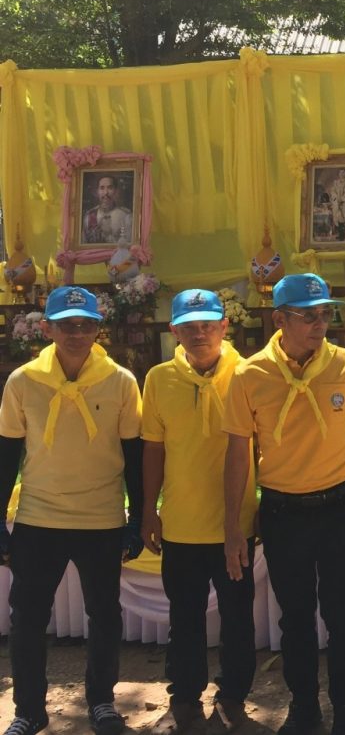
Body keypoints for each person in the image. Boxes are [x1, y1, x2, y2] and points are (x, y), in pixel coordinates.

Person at [222, 273, 345, 735]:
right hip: (283, 512)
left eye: (325, 314)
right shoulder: (251, 374)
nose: (319, 324)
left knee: (344, 616)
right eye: (307, 316)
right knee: (295, 618)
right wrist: (233, 525)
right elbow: (238, 454)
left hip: (338, 507)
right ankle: (304, 707)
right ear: (279, 320)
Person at [0, 285, 144, 735]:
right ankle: (28, 710)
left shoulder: (121, 381)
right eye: (67, 325)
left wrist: (138, 518)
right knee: (27, 618)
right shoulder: (23, 381)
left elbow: (134, 455)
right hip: (38, 517)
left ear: (98, 329)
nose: (76, 334)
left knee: (104, 614)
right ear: (47, 328)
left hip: (101, 517)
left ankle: (101, 701)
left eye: (85, 325)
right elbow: (6, 454)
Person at [141, 289, 259, 735]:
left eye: (208, 324)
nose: (200, 333)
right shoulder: (158, 378)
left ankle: (233, 695)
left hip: (236, 525)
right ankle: (186, 696)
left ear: (225, 326)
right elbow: (154, 450)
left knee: (238, 618)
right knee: (185, 618)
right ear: (173, 330)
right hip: (181, 524)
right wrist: (149, 510)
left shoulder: (249, 373)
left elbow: (264, 446)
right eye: (189, 327)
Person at [82, 175, 133, 245]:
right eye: (102, 188)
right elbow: (83, 245)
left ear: (116, 191)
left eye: (110, 188)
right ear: (97, 191)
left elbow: (130, 246)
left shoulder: (126, 216)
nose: (106, 192)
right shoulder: (89, 216)